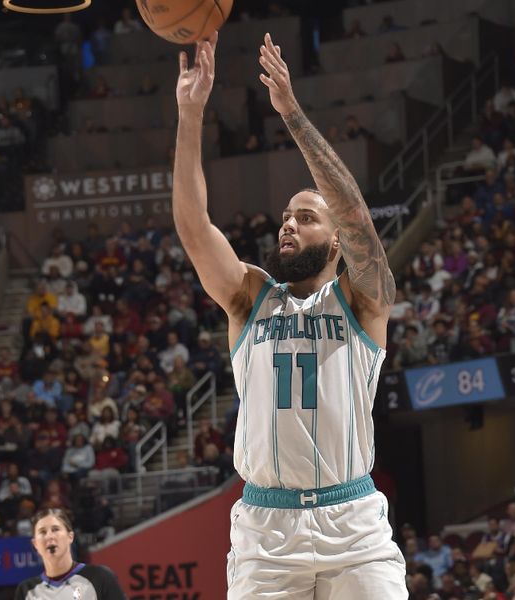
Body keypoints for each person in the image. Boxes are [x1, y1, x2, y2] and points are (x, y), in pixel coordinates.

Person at [172, 32, 406, 598]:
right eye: (286, 216)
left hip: (353, 522)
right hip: (265, 531)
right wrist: (190, 114)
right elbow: (194, 228)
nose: (289, 225)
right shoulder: (250, 296)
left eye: (305, 218)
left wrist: (293, 115)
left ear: (335, 243)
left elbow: (353, 212)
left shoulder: (362, 300)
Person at [15, 508, 125, 600]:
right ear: (35, 544)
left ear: (70, 537)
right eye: (42, 532)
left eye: (55, 529)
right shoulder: (26, 590)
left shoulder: (100, 577)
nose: (49, 536)